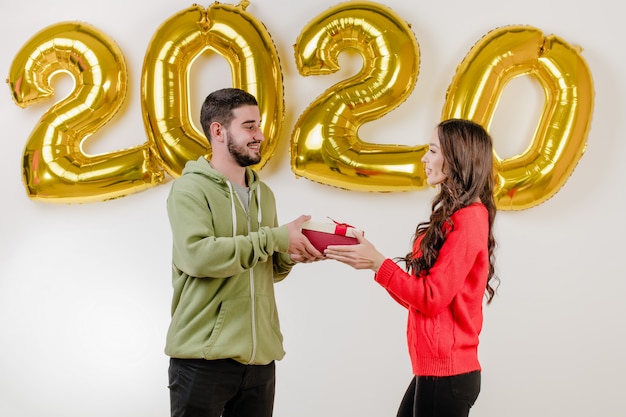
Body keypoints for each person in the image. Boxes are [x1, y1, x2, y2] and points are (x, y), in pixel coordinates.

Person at [165, 87, 323, 417]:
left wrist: (290, 254)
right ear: (218, 131)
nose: (260, 135)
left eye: (259, 125)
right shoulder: (190, 189)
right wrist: (276, 237)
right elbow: (199, 256)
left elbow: (264, 270)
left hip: (260, 362)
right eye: (250, 126)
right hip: (202, 361)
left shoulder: (263, 193)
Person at [324, 118, 499, 417]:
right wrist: (374, 265)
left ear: (455, 158)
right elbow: (420, 301)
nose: (424, 158)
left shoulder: (470, 218)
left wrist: (379, 263)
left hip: (448, 374)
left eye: (432, 151)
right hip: (437, 372)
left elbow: (430, 299)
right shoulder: (455, 215)